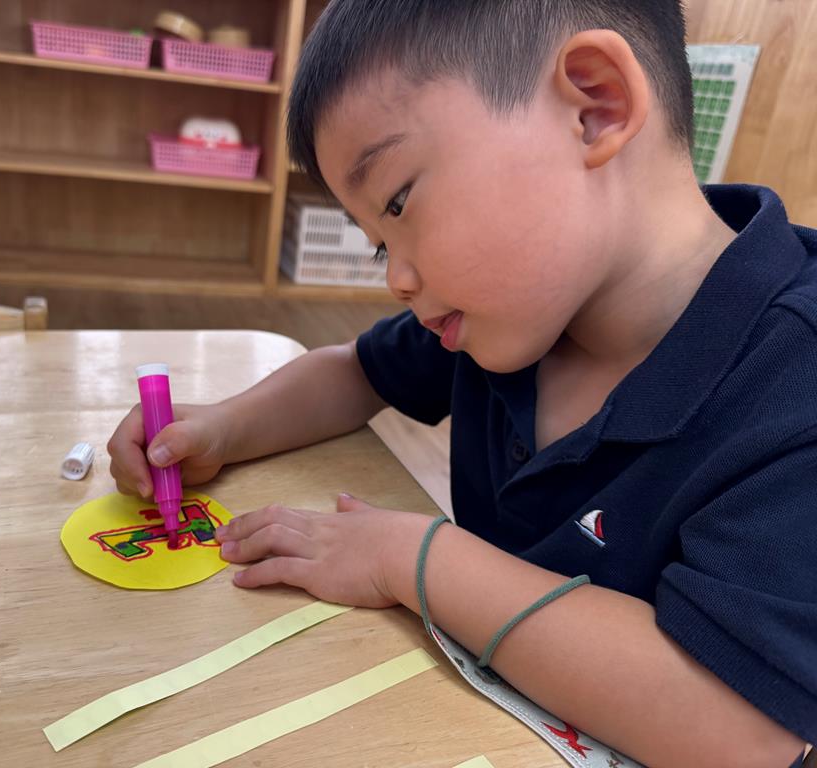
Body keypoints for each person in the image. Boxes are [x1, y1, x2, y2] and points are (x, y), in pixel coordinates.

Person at [109, 2, 816, 764]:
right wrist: (222, 426)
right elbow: (353, 372)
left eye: (399, 203)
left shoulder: (793, 379)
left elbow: (741, 730)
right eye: (380, 246)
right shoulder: (522, 306)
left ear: (595, 107)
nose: (397, 279)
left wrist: (414, 559)